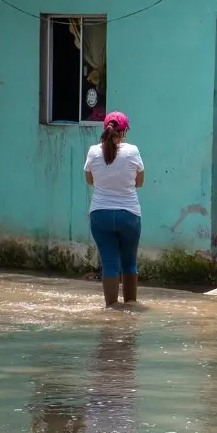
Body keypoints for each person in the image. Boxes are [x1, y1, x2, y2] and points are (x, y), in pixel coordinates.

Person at [84, 111, 145, 308]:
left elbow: (90, 180)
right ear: (125, 131)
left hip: (100, 215)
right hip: (129, 215)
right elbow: (140, 183)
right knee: (129, 264)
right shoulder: (133, 151)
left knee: (110, 264)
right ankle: (130, 308)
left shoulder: (93, 152)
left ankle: (111, 310)